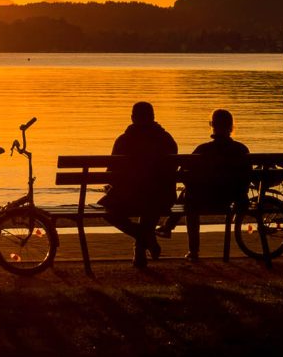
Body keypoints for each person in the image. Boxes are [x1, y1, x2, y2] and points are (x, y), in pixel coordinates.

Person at [158, 108, 251, 261]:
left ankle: (191, 249)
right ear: (232, 126)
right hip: (229, 199)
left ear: (212, 125)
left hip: (203, 200)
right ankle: (168, 227)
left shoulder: (203, 149)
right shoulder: (241, 149)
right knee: (189, 194)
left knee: (189, 198)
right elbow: (246, 177)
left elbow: (182, 173)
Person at [100, 101, 178, 267]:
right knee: (151, 199)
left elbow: (111, 174)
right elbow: (172, 171)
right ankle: (143, 243)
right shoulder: (166, 139)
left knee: (104, 209)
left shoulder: (124, 140)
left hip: (132, 196)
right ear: (153, 117)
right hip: (164, 197)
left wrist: (113, 186)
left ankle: (142, 235)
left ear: (133, 118)